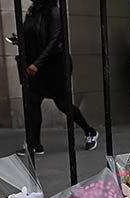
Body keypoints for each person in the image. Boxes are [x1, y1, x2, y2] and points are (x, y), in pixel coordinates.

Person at [21, 0, 98, 154]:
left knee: (62, 103)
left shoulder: (54, 12)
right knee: (33, 101)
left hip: (55, 64)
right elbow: (32, 35)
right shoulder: (31, 12)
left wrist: (37, 63)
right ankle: (35, 144)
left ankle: (90, 131)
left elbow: (54, 40)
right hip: (37, 65)